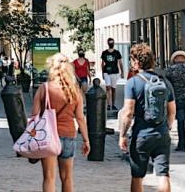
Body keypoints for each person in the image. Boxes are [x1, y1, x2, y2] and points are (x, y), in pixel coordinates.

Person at [119, 44, 176, 192]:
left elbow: (128, 113)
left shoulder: (133, 82)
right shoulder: (164, 82)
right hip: (162, 134)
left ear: (136, 62)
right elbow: (172, 112)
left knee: (137, 175)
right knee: (163, 174)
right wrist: (167, 127)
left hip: (141, 135)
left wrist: (123, 135)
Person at [30, 54, 90, 192]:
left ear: (51, 68)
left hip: (48, 136)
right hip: (68, 135)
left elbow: (34, 115)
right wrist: (86, 140)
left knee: (49, 178)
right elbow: (80, 118)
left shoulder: (44, 88)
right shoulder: (75, 91)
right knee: (67, 178)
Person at [101, 38, 123, 110]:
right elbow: (102, 63)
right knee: (108, 88)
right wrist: (102, 73)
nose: (111, 43)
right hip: (106, 72)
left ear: (113, 43)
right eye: (110, 42)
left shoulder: (117, 53)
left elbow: (120, 62)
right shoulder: (104, 53)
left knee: (113, 89)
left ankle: (113, 105)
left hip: (115, 72)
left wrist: (122, 71)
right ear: (108, 43)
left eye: (112, 42)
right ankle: (108, 104)